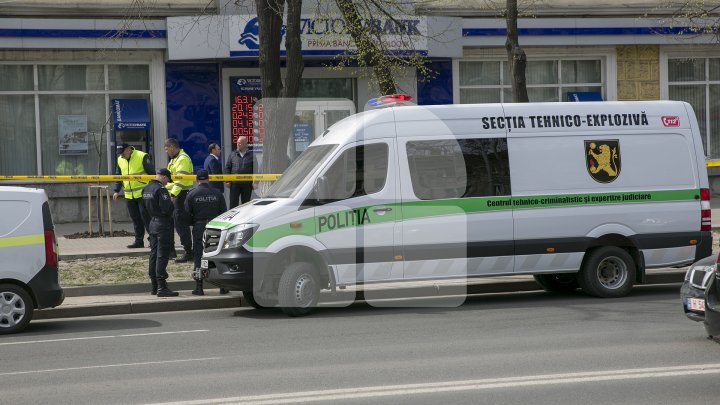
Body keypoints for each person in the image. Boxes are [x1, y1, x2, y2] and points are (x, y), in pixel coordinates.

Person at [185, 169, 228, 296]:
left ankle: (199, 287)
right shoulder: (217, 193)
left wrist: (195, 223)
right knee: (215, 255)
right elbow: (224, 212)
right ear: (208, 179)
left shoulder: (192, 194)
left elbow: (187, 214)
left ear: (197, 180)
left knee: (199, 257)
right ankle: (222, 287)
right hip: (215, 227)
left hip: (199, 227)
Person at [142, 168, 179, 297]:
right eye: (168, 180)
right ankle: (162, 287)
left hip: (152, 223)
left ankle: (154, 286)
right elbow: (167, 209)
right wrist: (172, 203)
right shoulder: (161, 189)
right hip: (163, 224)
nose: (167, 183)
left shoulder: (146, 188)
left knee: (153, 254)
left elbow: (143, 210)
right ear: (163, 177)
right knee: (162, 255)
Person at [112, 143, 153, 248]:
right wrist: (116, 190)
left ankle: (153, 240)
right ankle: (139, 241)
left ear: (129, 149)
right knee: (136, 219)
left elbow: (152, 173)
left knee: (146, 218)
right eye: (119, 153)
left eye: (123, 153)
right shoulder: (120, 159)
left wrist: (153, 190)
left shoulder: (142, 156)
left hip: (143, 194)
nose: (121, 155)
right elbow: (118, 176)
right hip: (129, 195)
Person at [164, 138, 194, 263]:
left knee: (181, 224)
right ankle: (172, 251)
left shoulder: (182, 159)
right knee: (173, 223)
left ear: (172, 147)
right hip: (177, 194)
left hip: (181, 195)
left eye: (166, 149)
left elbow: (180, 181)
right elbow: (171, 180)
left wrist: (172, 195)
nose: (166, 151)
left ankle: (188, 252)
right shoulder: (174, 159)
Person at [225, 136, 258, 208]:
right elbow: (228, 167)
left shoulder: (251, 155)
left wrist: (255, 182)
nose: (238, 144)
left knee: (246, 205)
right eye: (237, 143)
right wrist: (227, 181)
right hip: (235, 184)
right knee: (233, 203)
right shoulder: (232, 154)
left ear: (245, 144)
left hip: (247, 184)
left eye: (240, 143)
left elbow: (255, 169)